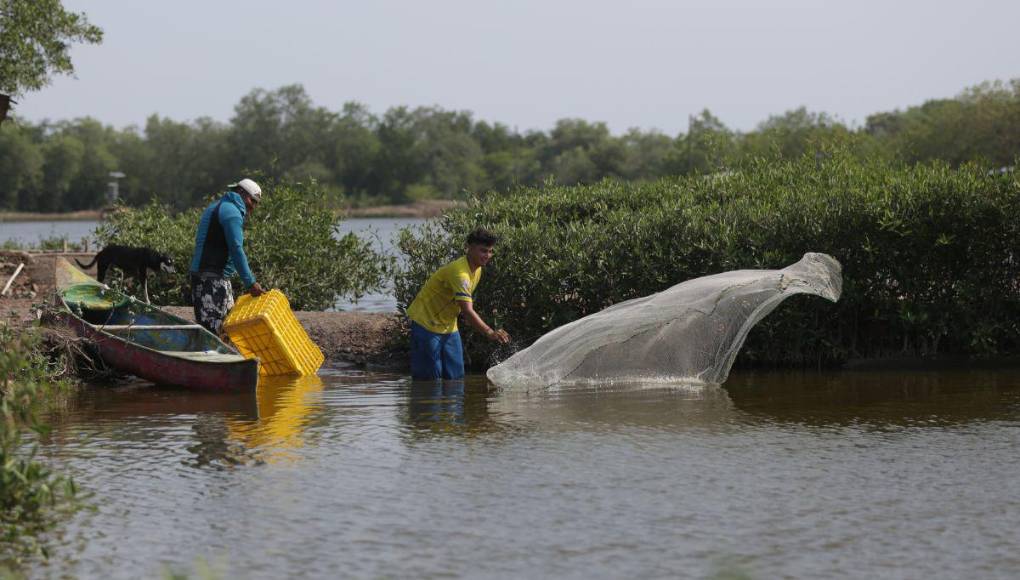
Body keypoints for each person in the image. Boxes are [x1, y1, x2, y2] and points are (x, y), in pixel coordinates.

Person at [406, 228, 510, 380]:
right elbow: (467, 311)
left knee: (456, 378)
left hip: (449, 326)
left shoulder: (477, 269)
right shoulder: (460, 273)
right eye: (483, 251)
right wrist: (489, 332)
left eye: (490, 251)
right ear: (469, 248)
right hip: (426, 324)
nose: (487, 256)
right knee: (429, 381)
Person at [189, 178, 265, 335]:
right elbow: (236, 249)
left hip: (211, 277)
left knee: (225, 328)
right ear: (241, 193)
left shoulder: (217, 207)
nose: (254, 207)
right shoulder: (232, 213)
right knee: (212, 331)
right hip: (211, 279)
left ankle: (222, 358)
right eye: (253, 200)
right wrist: (250, 282)